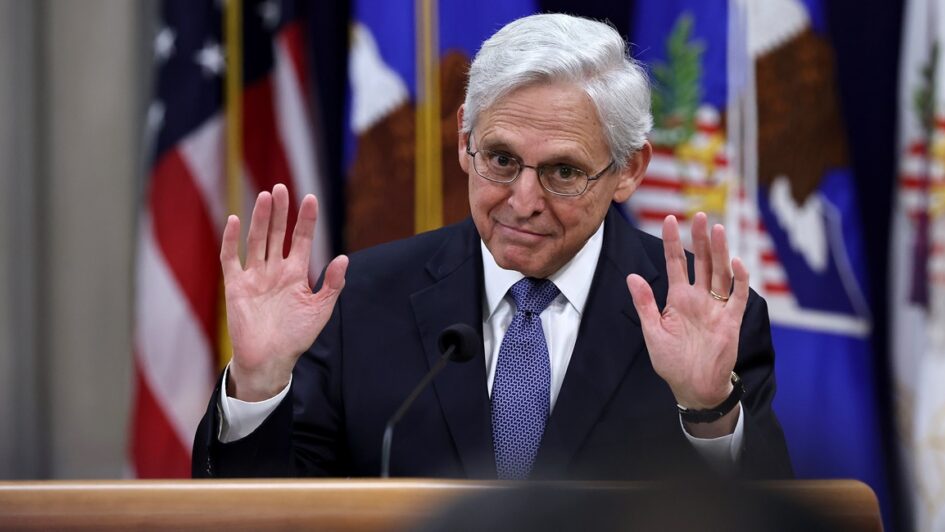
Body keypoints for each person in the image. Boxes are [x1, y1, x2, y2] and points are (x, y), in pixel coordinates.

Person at [193, 13, 791, 481]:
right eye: (501, 160)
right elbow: (265, 516)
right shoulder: (361, 302)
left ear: (629, 171)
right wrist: (258, 385)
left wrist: (709, 412)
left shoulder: (703, 318)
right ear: (463, 142)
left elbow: (765, 521)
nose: (522, 200)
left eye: (562, 172)